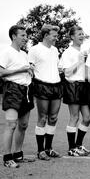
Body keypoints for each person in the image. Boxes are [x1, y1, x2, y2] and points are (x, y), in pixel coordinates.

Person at [0, 24, 35, 168]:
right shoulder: (6, 52)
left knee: (23, 125)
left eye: (26, 35)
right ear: (14, 36)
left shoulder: (24, 54)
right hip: (12, 90)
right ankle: (7, 158)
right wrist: (20, 69)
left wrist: (29, 72)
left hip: (26, 90)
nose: (26, 38)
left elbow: (24, 70)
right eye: (23, 35)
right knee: (11, 125)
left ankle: (18, 155)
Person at [28, 24, 62, 161]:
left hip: (57, 86)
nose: (56, 38)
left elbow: (56, 67)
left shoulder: (55, 50)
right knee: (42, 117)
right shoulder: (34, 49)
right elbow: (30, 67)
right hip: (42, 86)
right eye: (54, 35)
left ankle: (49, 148)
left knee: (53, 118)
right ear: (46, 35)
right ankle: (40, 150)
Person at [59, 26, 90, 157]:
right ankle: (72, 148)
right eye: (79, 34)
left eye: (83, 34)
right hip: (73, 86)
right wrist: (80, 62)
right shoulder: (68, 52)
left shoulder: (84, 51)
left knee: (88, 118)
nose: (82, 36)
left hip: (84, 86)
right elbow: (66, 72)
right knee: (75, 117)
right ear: (72, 37)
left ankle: (78, 145)